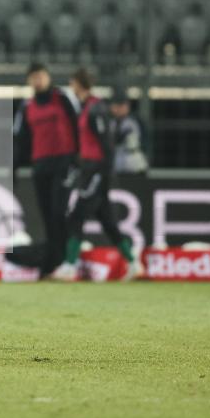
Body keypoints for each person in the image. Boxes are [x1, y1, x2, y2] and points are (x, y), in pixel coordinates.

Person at [55, 70, 141, 281]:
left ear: (78, 84)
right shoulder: (87, 108)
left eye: (73, 83)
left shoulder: (95, 109)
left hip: (96, 170)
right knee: (108, 222)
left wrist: (104, 174)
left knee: (76, 216)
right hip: (90, 169)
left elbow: (107, 145)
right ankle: (134, 263)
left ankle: (69, 266)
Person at [13, 63, 79, 279]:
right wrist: (14, 166)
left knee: (59, 212)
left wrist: (78, 159)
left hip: (64, 163)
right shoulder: (27, 106)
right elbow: (21, 140)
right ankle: (54, 263)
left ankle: (67, 261)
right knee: (48, 217)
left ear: (48, 77)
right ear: (29, 81)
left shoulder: (63, 98)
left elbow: (79, 126)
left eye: (41, 76)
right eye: (34, 77)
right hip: (40, 165)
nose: (38, 81)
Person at [109, 91, 149, 175]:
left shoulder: (133, 120)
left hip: (134, 163)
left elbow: (118, 138)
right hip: (119, 163)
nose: (115, 109)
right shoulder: (113, 122)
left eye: (119, 106)